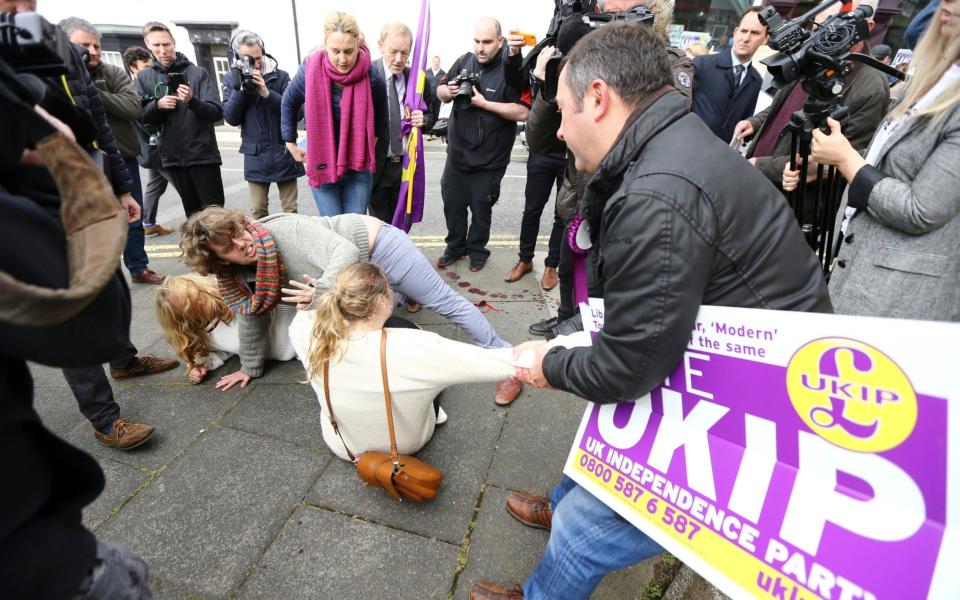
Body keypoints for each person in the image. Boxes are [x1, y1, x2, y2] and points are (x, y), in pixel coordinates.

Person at [468, 22, 831, 600]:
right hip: (723, 355)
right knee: (607, 440)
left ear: (598, 98)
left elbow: (629, 369)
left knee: (586, 531)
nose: (559, 130)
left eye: (562, 111)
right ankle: (567, 499)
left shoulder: (657, 192)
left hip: (761, 402)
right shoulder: (671, 139)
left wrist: (549, 364)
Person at [0, 51, 151, 597]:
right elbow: (84, 316)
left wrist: (119, 182)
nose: (24, 20)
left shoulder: (56, 63)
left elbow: (101, 125)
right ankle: (105, 416)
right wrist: (61, 160)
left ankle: (129, 364)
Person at [178, 207, 524, 404]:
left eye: (239, 232)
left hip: (378, 248)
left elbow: (345, 253)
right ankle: (402, 295)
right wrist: (249, 367)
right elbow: (252, 313)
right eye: (231, 247)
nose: (244, 243)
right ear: (219, 262)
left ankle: (507, 361)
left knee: (444, 301)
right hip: (351, 273)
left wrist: (322, 291)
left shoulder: (282, 230)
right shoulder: (234, 278)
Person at [783, 0, 960, 322]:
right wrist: (828, 164)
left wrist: (847, 159)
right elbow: (890, 164)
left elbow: (921, 210)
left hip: (899, 297)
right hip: (855, 270)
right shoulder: (929, 83)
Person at [289, 262, 535, 459]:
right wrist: (542, 353)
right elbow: (495, 363)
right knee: (427, 368)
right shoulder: (415, 346)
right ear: (383, 301)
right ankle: (434, 414)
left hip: (342, 445)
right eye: (390, 288)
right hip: (402, 446)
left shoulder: (304, 329)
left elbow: (307, 314)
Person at [733, 0, 889, 225]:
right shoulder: (809, 56)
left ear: (867, 26)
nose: (820, 34)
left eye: (831, 25)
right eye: (819, 25)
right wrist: (755, 122)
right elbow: (783, 106)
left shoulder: (871, 87)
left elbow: (845, 157)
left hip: (792, 203)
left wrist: (766, 167)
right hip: (755, 182)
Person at [62, 17, 165, 285]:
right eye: (84, 45)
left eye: (96, 46)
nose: (92, 51)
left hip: (121, 159)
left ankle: (138, 266)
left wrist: (92, 91)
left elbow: (132, 107)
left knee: (132, 217)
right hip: (81, 165)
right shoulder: (56, 78)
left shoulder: (112, 73)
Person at [435, 17, 530, 273]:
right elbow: (440, 90)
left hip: (489, 161)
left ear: (500, 41)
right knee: (452, 205)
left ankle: (477, 251)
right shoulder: (464, 61)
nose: (480, 48)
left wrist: (484, 104)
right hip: (456, 156)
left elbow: (523, 112)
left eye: (487, 42)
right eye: (477, 41)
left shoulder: (512, 71)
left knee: (480, 210)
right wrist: (450, 92)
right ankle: (454, 247)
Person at [281, 11, 385, 217]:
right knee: (334, 231)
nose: (342, 59)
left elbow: (381, 113)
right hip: (321, 161)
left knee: (355, 231)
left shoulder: (371, 75)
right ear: (325, 45)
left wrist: (371, 141)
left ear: (358, 44)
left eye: (348, 51)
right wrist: (290, 144)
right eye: (335, 51)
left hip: (357, 168)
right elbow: (288, 102)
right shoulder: (309, 69)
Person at [137, 21, 225, 217]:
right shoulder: (144, 77)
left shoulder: (197, 73)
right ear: (147, 44)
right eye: (156, 45)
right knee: (192, 216)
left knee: (216, 216)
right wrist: (156, 105)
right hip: (173, 158)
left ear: (174, 43)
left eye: (166, 44)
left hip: (203, 157)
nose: (163, 50)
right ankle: (199, 249)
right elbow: (139, 117)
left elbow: (217, 113)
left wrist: (192, 101)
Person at [221, 30, 304, 220]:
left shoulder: (281, 77)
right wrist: (241, 90)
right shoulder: (232, 80)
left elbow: (297, 113)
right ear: (238, 58)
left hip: (283, 151)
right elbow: (231, 118)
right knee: (258, 212)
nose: (256, 63)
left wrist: (267, 93)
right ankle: (261, 248)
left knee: (290, 211)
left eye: (258, 58)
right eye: (248, 59)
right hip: (255, 154)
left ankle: (292, 247)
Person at [155, 274, 297, 384]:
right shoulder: (204, 333)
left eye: (195, 297)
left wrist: (249, 369)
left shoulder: (232, 299)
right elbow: (226, 349)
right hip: (296, 352)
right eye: (188, 306)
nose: (199, 303)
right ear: (182, 317)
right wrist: (202, 365)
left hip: (303, 331)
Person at [503, 46, 566, 290]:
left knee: (562, 214)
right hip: (541, 151)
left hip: (569, 152)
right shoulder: (547, 60)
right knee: (532, 210)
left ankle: (552, 265)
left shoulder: (582, 64)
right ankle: (525, 259)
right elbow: (530, 100)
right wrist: (538, 72)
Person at [368, 22, 437, 224]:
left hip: (406, 166)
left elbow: (432, 112)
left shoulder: (417, 79)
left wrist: (423, 120)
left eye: (404, 53)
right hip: (377, 166)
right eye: (393, 52)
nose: (399, 59)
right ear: (381, 45)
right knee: (380, 227)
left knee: (402, 224)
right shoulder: (368, 74)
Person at [690, 7, 767, 143]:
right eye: (743, 31)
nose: (746, 38)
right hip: (687, 148)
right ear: (736, 32)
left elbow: (744, 122)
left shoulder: (755, 81)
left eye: (754, 33)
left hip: (720, 157)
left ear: (765, 39)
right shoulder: (701, 65)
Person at [124, 45, 174, 236]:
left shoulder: (147, 84)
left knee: (155, 186)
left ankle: (148, 223)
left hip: (152, 149)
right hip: (152, 148)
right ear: (133, 69)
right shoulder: (133, 90)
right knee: (183, 185)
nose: (150, 70)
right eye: (145, 66)